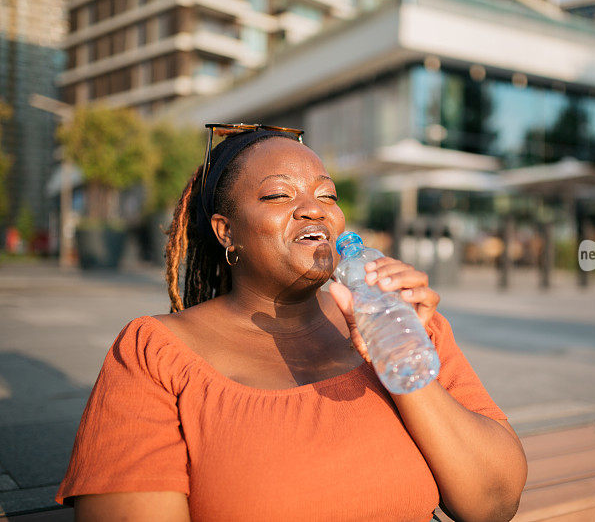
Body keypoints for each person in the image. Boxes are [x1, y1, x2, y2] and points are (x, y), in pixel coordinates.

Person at [55, 126, 528, 521]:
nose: (315, 207)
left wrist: (402, 361)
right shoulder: (154, 353)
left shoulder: (405, 316)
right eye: (280, 194)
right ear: (227, 231)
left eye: (328, 194)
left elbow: (494, 504)